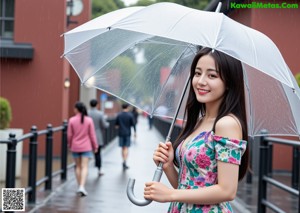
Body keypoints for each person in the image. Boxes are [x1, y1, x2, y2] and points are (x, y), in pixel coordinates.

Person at [144, 47, 249, 212]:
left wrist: (170, 195)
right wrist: (169, 166)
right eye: (198, 73)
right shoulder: (199, 122)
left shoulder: (227, 124)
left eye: (212, 75)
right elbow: (187, 186)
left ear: (229, 82)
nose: (200, 81)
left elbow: (227, 191)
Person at [67, 101, 98, 196]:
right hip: (86, 147)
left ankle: (79, 186)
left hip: (75, 146)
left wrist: (69, 144)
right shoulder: (89, 120)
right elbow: (92, 135)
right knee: (85, 166)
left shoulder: (72, 120)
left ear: (76, 109)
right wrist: (95, 146)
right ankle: (82, 187)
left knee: (78, 167)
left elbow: (69, 135)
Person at [88, 99, 109, 176]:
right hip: (98, 136)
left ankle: (85, 169)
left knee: (87, 153)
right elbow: (104, 125)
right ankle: (99, 170)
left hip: (88, 136)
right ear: (97, 105)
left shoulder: (87, 113)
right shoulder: (100, 114)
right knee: (98, 154)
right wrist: (107, 124)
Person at [115, 103, 136, 170]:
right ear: (127, 107)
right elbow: (133, 125)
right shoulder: (130, 115)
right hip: (127, 133)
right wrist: (135, 132)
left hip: (121, 133)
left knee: (122, 148)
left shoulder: (119, 115)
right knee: (126, 148)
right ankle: (125, 161)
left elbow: (116, 125)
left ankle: (123, 160)